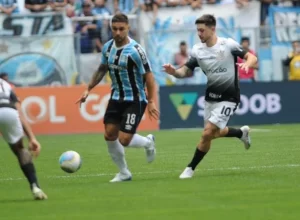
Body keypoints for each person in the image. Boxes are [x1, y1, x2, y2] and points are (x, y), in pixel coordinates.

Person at [163, 14, 258, 179]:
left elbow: (252, 57)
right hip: (210, 98)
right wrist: (174, 72)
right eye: (197, 31)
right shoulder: (197, 50)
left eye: (202, 30)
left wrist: (247, 64)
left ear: (212, 28)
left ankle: (190, 168)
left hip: (229, 97)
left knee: (207, 133)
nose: (199, 34)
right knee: (213, 133)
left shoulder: (227, 45)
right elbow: (185, 71)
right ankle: (241, 133)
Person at [76, 13, 159, 183]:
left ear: (128, 28)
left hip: (135, 99)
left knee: (125, 139)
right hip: (115, 97)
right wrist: (88, 89)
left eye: (122, 29)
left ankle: (148, 143)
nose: (118, 32)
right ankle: (124, 172)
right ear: (111, 29)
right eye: (115, 29)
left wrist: (151, 101)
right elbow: (102, 69)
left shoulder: (136, 51)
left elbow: (149, 77)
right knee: (109, 135)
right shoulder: (107, 47)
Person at [0, 78, 47, 200]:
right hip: (8, 111)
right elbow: (19, 112)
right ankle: (35, 187)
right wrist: (32, 138)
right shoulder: (5, 84)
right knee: (20, 149)